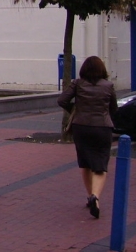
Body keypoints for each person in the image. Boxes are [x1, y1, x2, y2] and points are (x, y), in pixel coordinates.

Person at [57, 55, 117, 219]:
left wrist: (75, 111)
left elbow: (62, 100)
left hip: (81, 127)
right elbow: (114, 108)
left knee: (85, 163)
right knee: (100, 164)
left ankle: (89, 195)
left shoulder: (77, 84)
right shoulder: (108, 86)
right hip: (102, 128)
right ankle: (95, 197)